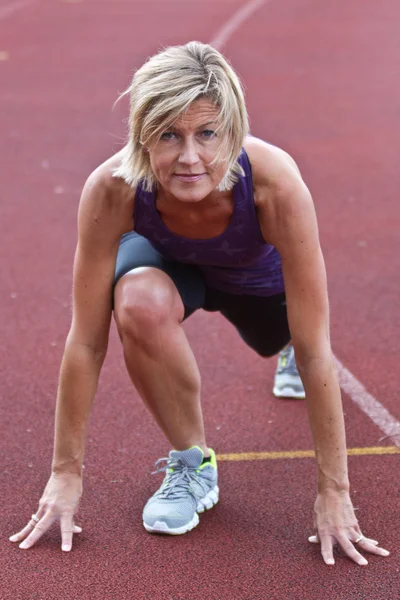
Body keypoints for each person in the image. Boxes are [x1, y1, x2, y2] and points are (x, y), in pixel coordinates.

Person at [10, 41, 388, 565]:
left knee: (292, 341)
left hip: (255, 280)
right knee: (137, 301)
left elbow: (317, 349)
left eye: (206, 134)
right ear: (142, 136)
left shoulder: (275, 185)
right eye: (168, 136)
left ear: (232, 133)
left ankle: (275, 347)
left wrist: (335, 493)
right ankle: (193, 463)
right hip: (169, 263)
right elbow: (86, 340)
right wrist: (65, 473)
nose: (189, 158)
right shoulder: (113, 188)